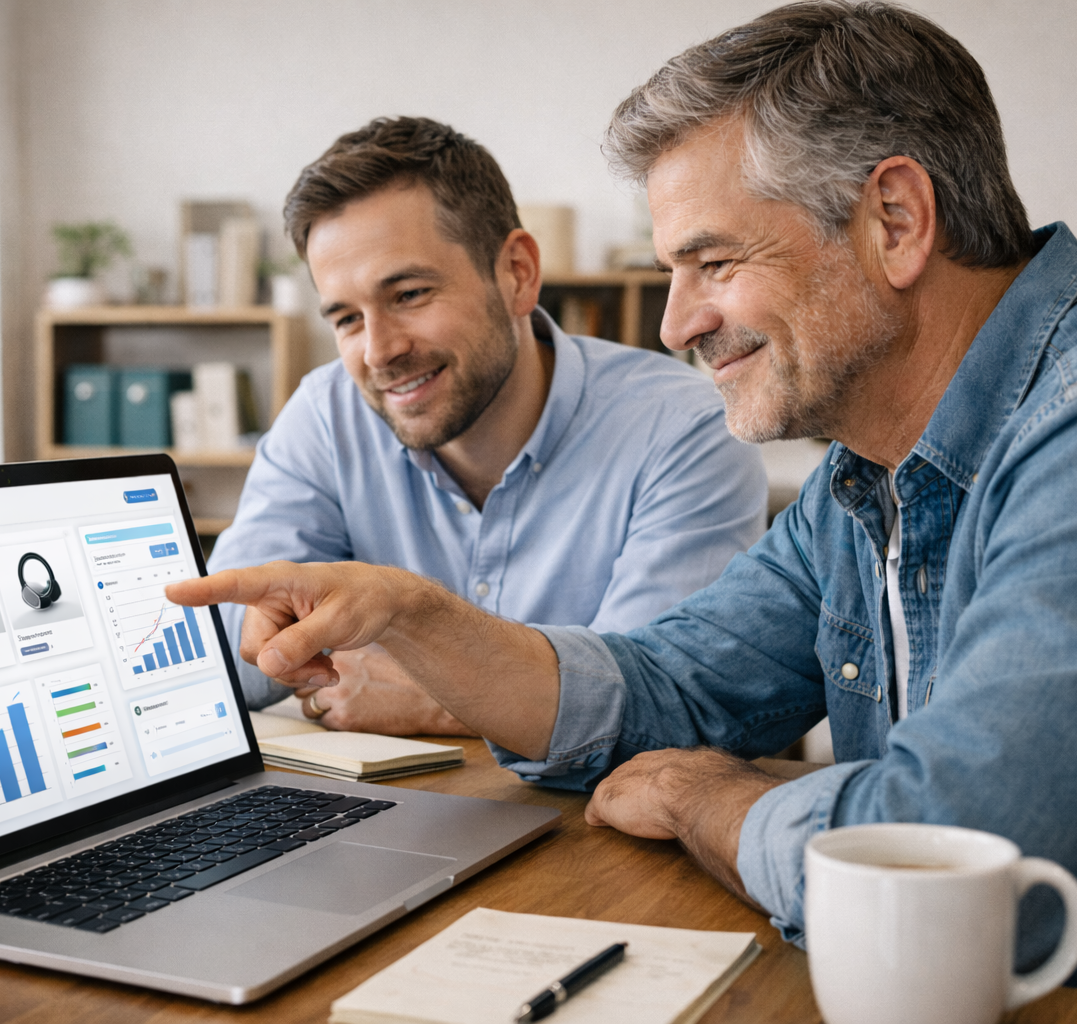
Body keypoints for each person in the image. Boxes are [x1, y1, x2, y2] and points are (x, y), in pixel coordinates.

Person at [172, 2, 1077, 1013]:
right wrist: (418, 614)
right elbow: (669, 684)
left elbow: (953, 862)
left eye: (713, 262)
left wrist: (703, 798)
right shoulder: (862, 480)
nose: (676, 324)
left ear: (896, 221)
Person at [206, 116, 767, 735]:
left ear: (518, 273)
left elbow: (653, 704)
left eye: (410, 294)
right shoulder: (324, 416)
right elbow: (226, 654)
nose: (377, 351)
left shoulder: (684, 430)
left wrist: (434, 693)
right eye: (345, 318)